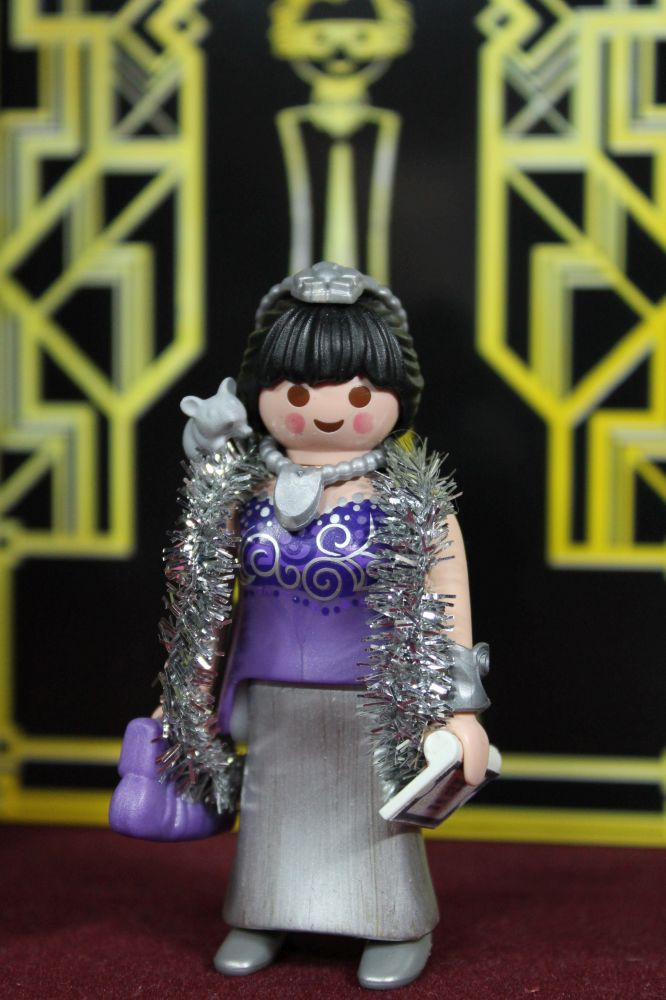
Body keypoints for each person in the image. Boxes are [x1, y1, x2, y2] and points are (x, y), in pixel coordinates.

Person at [111, 262, 491, 990]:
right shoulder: (242, 493)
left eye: (357, 393)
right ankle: (262, 911)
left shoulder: (412, 501)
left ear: (396, 397)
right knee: (273, 809)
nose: (326, 410)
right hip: (270, 692)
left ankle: (391, 920)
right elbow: (206, 601)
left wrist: (459, 710)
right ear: (262, 393)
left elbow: (447, 603)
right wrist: (183, 697)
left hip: (377, 696)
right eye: (296, 391)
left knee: (376, 816)